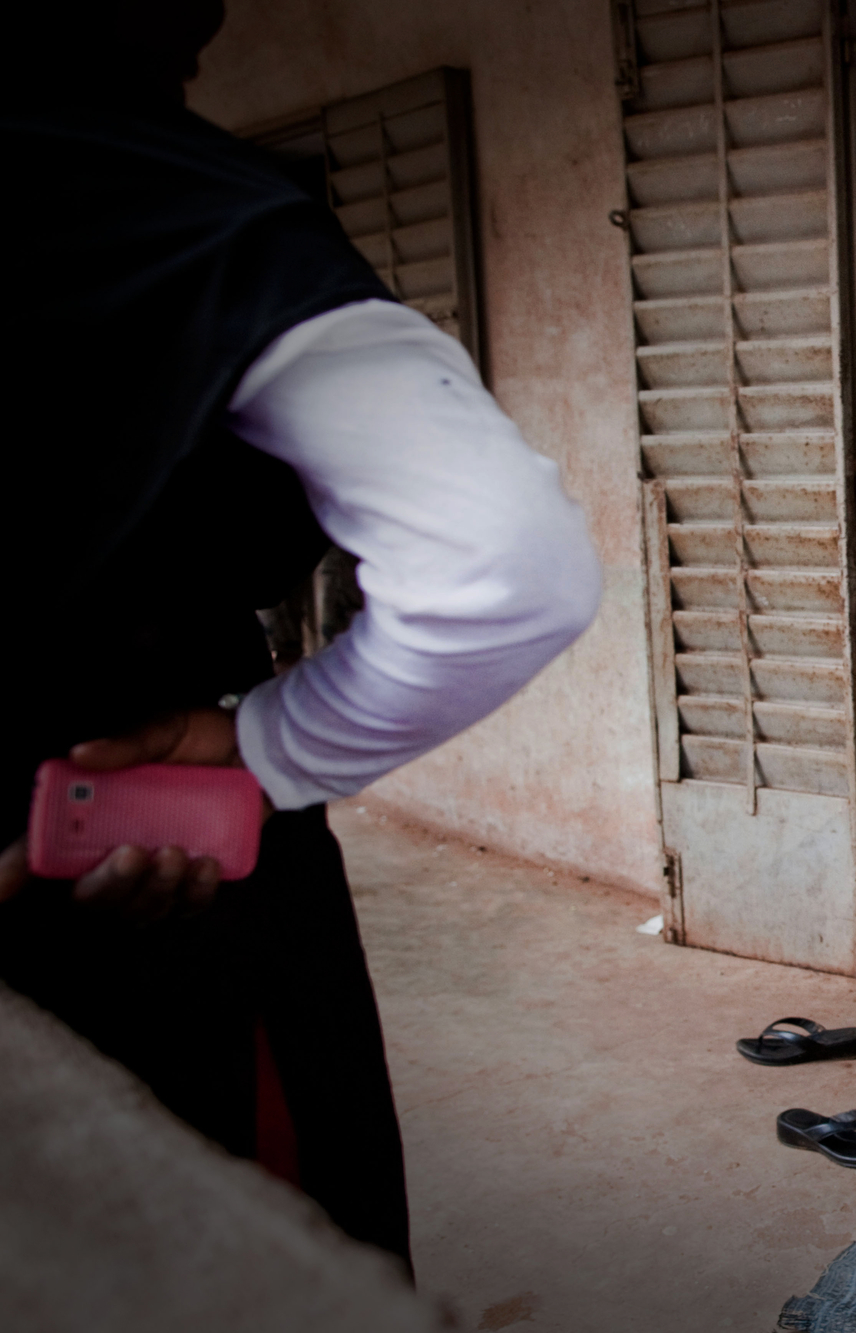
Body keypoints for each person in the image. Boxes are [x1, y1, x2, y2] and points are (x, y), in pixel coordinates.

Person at [0, 4, 601, 1270]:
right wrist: (263, 750)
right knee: (240, 1245)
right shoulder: (164, 195)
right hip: (143, 843)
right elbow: (503, 561)